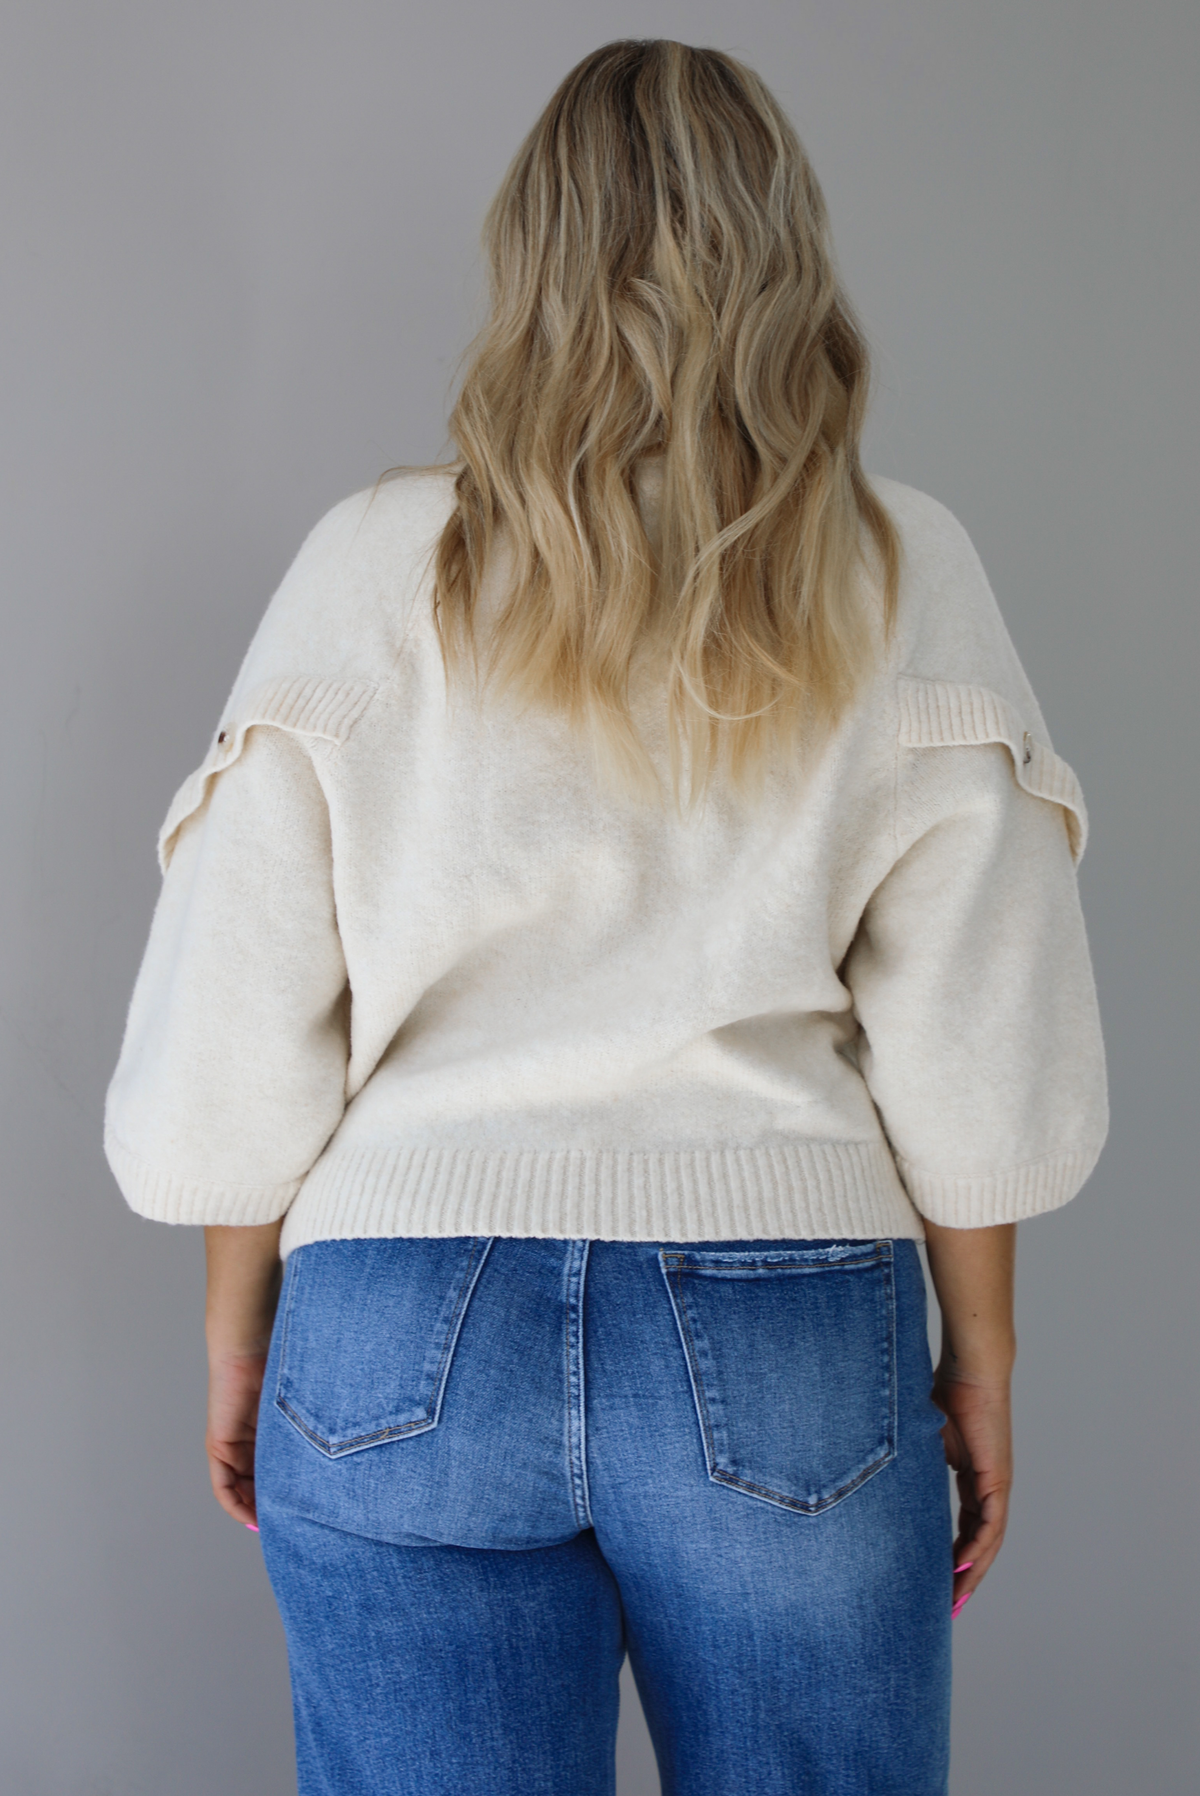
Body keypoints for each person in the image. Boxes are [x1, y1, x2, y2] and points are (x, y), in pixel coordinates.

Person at [105, 37, 1108, 1796]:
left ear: (530, 259)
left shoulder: (373, 567)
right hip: (788, 1332)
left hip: (397, 1332)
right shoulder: (899, 570)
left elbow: (231, 1021)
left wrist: (237, 1333)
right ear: (789, 254)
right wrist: (986, 1364)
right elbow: (985, 1045)